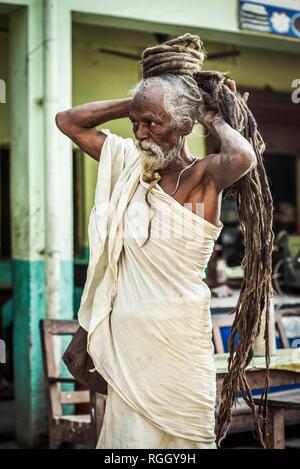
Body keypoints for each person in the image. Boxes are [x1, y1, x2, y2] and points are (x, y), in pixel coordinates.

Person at [56, 34, 274, 448]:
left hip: (178, 340)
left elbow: (243, 157)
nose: (140, 133)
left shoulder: (205, 176)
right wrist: (143, 98)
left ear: (186, 124)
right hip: (127, 343)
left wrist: (214, 117)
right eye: (135, 123)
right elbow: (68, 120)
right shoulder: (128, 166)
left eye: (152, 122)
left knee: (185, 440)